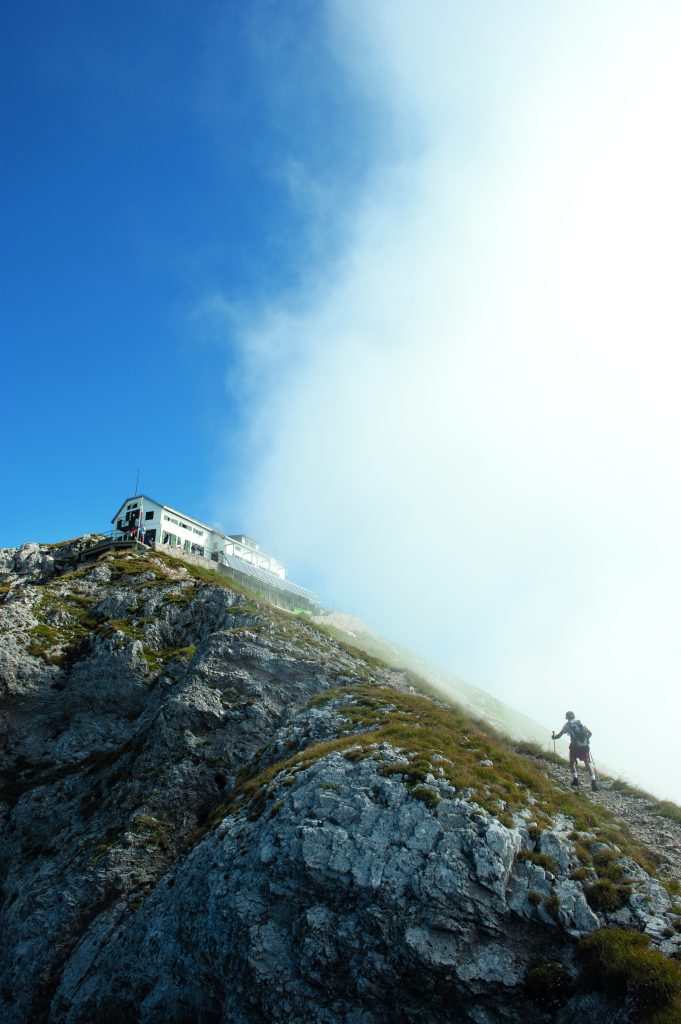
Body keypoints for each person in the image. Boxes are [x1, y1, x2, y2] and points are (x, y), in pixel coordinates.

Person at [552, 711, 598, 790]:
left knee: (572, 762)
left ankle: (575, 781)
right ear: (574, 716)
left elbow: (559, 735)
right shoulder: (581, 723)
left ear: (567, 718)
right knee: (587, 764)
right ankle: (594, 782)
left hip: (574, 747)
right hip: (584, 747)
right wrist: (586, 740)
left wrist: (553, 736)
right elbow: (590, 733)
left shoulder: (567, 725)